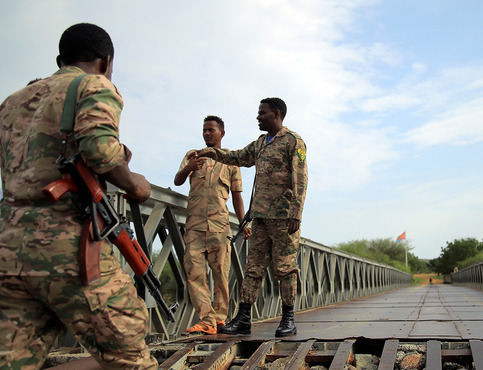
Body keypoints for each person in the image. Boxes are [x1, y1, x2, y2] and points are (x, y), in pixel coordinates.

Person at [0, 23, 158, 369]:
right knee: (128, 352)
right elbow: (100, 151)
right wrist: (134, 185)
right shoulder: (94, 84)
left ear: (60, 59)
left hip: (9, 250)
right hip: (65, 247)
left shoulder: (12, 102)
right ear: (105, 62)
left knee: (11, 358)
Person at [197, 97, 308, 337]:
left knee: (285, 269)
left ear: (276, 114)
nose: (258, 117)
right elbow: (237, 157)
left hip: (283, 218)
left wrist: (296, 214)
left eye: (262, 113)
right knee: (253, 268)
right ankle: (243, 318)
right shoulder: (260, 143)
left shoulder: (293, 141)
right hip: (260, 217)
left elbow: (301, 179)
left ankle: (288, 319)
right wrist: (213, 153)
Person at [174, 115, 251, 335]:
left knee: (220, 275)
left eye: (211, 130)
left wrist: (243, 221)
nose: (207, 133)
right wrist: (189, 167)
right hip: (195, 227)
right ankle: (206, 318)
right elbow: (178, 180)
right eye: (204, 130)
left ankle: (219, 319)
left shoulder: (231, 161)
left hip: (219, 226)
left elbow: (237, 196)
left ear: (221, 134)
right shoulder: (192, 156)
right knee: (194, 273)